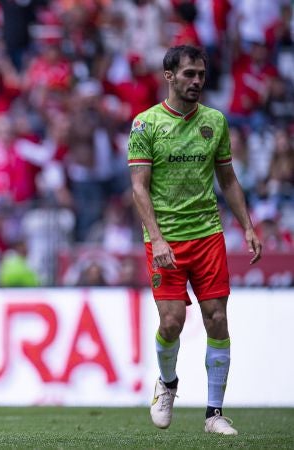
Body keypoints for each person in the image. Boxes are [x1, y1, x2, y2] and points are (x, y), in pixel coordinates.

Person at [128, 45, 263, 436]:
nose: (197, 81)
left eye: (201, 74)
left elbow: (228, 179)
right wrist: (157, 237)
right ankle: (167, 384)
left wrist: (248, 227)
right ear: (169, 76)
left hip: (207, 233)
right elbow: (139, 187)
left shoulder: (215, 122)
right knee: (171, 323)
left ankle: (214, 413)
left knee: (217, 318)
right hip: (165, 238)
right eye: (189, 74)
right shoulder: (145, 124)